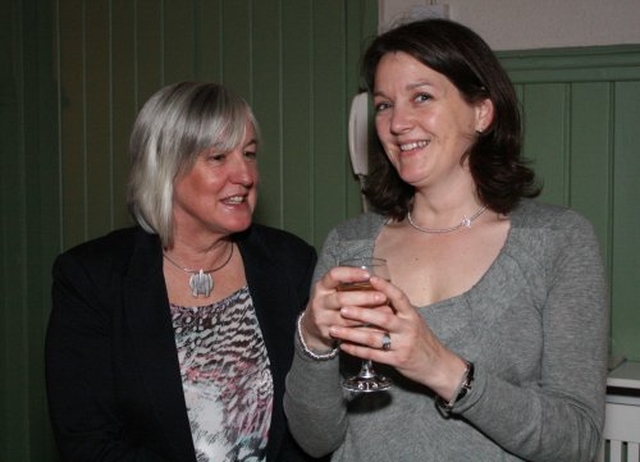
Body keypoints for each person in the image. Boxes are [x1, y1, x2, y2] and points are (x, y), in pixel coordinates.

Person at [284, 18, 608, 462]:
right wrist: (313, 341)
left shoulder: (556, 241)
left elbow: (577, 442)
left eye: (422, 97)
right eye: (383, 105)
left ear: (482, 112)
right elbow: (315, 438)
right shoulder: (349, 245)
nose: (398, 122)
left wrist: (442, 368)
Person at [45, 81, 323, 462]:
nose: (245, 174)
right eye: (218, 158)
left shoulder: (290, 263)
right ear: (166, 167)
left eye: (250, 153)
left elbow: (314, 419)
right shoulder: (92, 279)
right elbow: (88, 443)